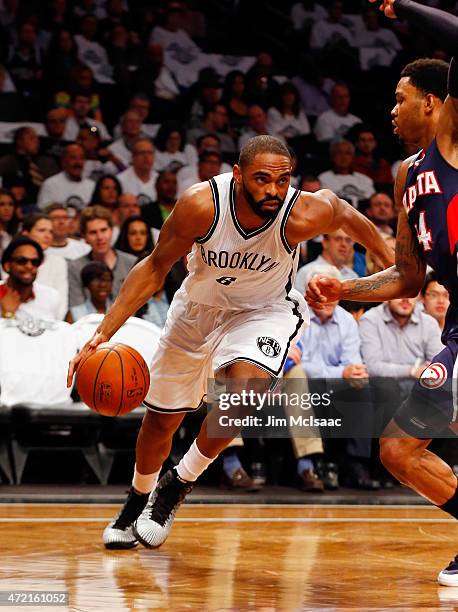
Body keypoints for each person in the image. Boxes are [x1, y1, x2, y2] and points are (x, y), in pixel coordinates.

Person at [67, 135, 393, 551]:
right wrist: (102, 334)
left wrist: (394, 262)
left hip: (264, 311)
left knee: (241, 395)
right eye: (261, 179)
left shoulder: (303, 211)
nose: (273, 190)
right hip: (197, 311)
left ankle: (177, 484)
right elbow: (154, 266)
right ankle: (135, 501)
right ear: (237, 174)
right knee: (161, 421)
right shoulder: (202, 204)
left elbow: (349, 215)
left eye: (283, 180)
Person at [305, 0, 458, 584]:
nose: (390, 110)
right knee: (397, 451)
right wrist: (343, 288)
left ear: (433, 102)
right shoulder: (403, 175)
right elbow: (409, 276)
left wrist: (403, 7)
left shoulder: (454, 141)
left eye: (400, 99)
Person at [68, 205, 137, 308]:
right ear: (84, 237)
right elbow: (77, 308)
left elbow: (140, 303)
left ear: (112, 231)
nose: (100, 237)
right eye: (93, 232)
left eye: (103, 230)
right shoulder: (75, 267)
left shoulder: (131, 262)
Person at [0, 236, 61, 321]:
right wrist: (7, 314)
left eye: (35, 262)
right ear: (7, 266)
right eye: (21, 261)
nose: (29, 266)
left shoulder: (51, 296)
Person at [21, 213, 68, 319]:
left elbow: (61, 303)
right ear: (26, 233)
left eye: (51, 232)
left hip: (50, 323)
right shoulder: (13, 261)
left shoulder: (59, 261)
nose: (48, 236)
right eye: (41, 230)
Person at [37, 144, 95, 210]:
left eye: (81, 158)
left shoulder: (92, 186)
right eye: (73, 158)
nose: (78, 163)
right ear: (63, 161)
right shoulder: (50, 184)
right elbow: (43, 211)